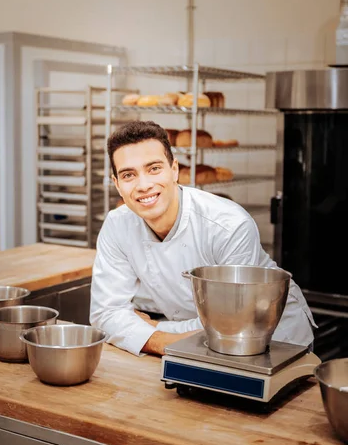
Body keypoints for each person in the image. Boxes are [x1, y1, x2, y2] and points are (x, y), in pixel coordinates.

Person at [90, 120, 316, 357]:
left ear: (174, 169)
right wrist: (162, 340)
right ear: (117, 184)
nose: (144, 185)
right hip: (197, 347)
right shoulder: (117, 225)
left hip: (278, 341)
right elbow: (106, 313)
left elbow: (232, 325)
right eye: (128, 175)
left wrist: (152, 329)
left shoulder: (228, 224)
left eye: (154, 168)